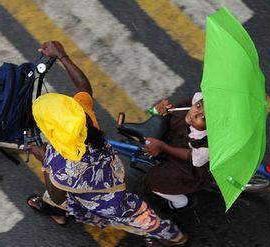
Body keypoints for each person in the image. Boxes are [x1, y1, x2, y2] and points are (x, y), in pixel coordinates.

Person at [26, 41, 188, 246]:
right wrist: (62, 56)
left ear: (49, 130)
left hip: (108, 201)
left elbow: (58, 196)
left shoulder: (60, 166)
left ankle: (175, 238)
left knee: (139, 218)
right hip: (111, 173)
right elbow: (83, 85)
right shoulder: (84, 118)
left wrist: (43, 160)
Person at [142, 93, 212, 212]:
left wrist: (162, 146)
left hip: (189, 166)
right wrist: (170, 107)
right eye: (198, 105)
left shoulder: (208, 146)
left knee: (156, 181)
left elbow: (189, 155)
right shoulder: (200, 104)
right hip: (179, 137)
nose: (194, 113)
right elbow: (189, 102)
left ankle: (182, 202)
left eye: (203, 118)